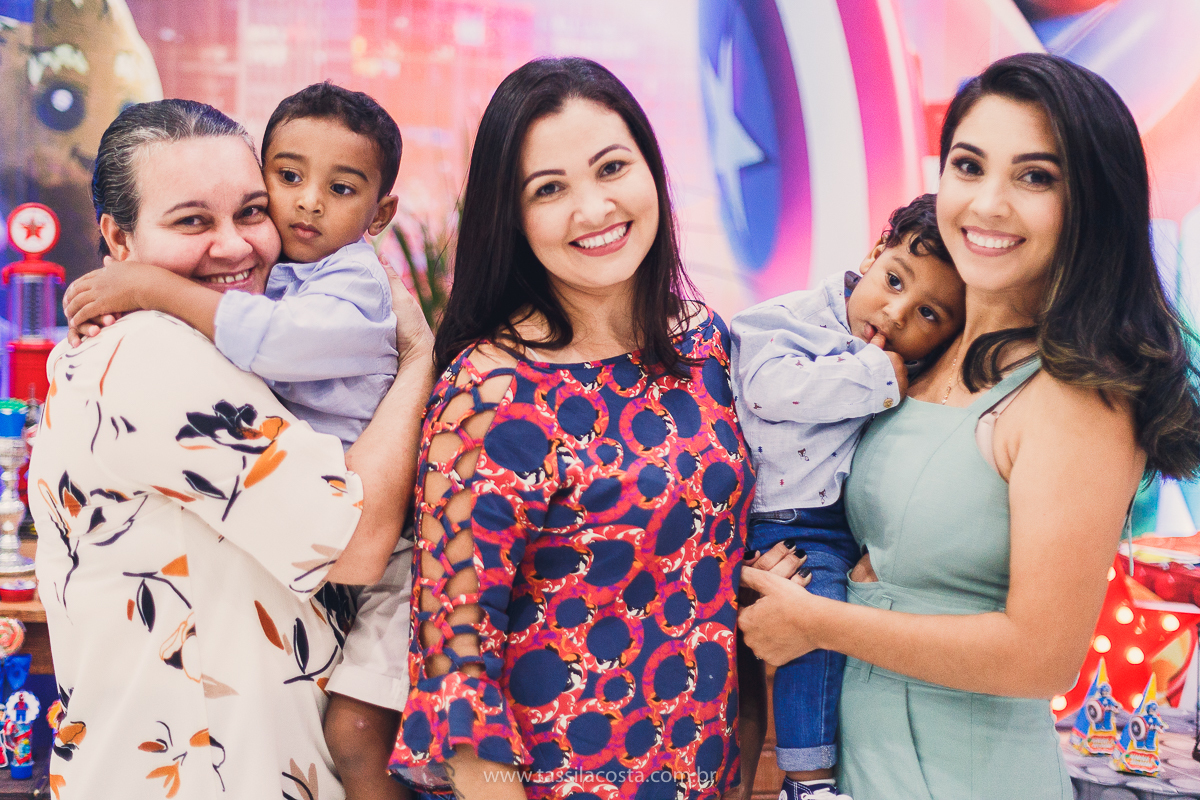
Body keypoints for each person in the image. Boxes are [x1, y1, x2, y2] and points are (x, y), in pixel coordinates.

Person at [738, 52, 1200, 800]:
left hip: (963, 773)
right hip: (859, 763)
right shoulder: (920, 354)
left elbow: (1041, 655)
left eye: (1034, 176)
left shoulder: (1078, 400)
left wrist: (821, 623)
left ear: (1091, 205)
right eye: (968, 164)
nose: (987, 203)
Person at [30, 98, 434, 800]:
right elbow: (357, 539)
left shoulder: (210, 344)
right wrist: (420, 356)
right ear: (117, 241)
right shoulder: (152, 353)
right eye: (193, 221)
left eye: (252, 212)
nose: (236, 245)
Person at [386, 57, 757, 800]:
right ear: (512, 218)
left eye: (612, 167)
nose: (593, 209)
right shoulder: (494, 392)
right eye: (549, 189)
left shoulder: (701, 344)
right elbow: (457, 671)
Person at [731, 193, 964, 800]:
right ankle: (807, 779)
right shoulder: (790, 319)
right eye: (892, 280)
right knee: (817, 620)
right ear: (871, 255)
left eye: (929, 315)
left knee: (835, 616)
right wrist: (877, 378)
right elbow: (766, 389)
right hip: (782, 521)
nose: (895, 312)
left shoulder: (910, 370)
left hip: (836, 523)